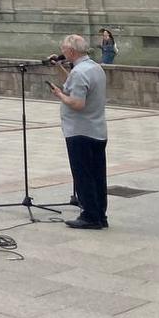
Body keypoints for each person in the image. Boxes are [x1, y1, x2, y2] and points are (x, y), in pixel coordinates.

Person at [48, 34, 108, 229]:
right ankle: (100, 214)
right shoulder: (94, 68)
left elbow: (77, 102)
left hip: (80, 131)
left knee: (83, 175)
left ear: (71, 51)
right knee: (98, 175)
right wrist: (59, 67)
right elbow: (75, 85)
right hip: (97, 129)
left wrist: (58, 94)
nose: (62, 52)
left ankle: (90, 216)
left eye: (64, 49)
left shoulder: (80, 72)